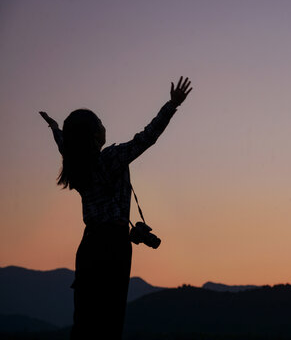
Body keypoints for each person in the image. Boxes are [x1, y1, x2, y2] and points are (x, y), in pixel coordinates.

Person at [39, 77, 193, 339]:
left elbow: (63, 142)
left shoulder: (76, 162)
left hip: (89, 247)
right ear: (96, 135)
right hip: (113, 248)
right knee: (109, 321)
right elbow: (146, 138)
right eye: (99, 122)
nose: (103, 124)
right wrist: (172, 105)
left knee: (85, 320)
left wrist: (54, 126)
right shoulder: (110, 158)